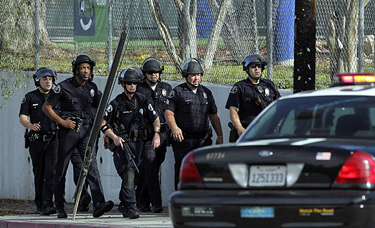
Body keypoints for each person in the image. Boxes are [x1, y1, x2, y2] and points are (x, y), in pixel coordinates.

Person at [42, 54, 114, 218]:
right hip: (68, 132)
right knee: (61, 169)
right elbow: (46, 107)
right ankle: (60, 207)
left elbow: (98, 111)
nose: (86, 71)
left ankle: (99, 204)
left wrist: (105, 130)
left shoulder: (93, 87)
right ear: (76, 69)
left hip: (87, 131)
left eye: (88, 68)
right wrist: (62, 122)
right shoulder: (63, 86)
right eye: (82, 68)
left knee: (92, 167)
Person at [101, 67, 161, 219]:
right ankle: (132, 206)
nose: (132, 86)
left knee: (135, 176)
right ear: (123, 84)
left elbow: (155, 119)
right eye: (129, 83)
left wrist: (157, 134)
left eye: (134, 83)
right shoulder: (116, 103)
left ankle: (124, 204)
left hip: (140, 144)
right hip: (123, 144)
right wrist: (113, 137)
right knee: (128, 173)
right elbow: (103, 123)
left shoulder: (142, 100)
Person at [165, 58, 224, 190]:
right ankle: (181, 203)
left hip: (203, 140)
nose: (196, 78)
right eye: (192, 75)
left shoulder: (206, 93)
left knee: (205, 170)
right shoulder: (178, 92)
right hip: (183, 141)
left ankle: (202, 202)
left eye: (198, 75)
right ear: (186, 76)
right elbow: (168, 113)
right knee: (182, 170)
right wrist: (174, 128)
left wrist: (220, 136)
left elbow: (214, 115)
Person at [135, 57, 172, 213]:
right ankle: (156, 203)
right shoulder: (138, 89)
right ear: (145, 74)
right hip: (147, 134)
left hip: (163, 133)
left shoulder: (167, 88)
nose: (153, 75)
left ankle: (141, 200)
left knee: (151, 167)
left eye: (156, 72)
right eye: (150, 73)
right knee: (150, 165)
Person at [19, 67, 58, 215]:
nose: (48, 81)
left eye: (50, 79)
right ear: (38, 81)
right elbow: (23, 117)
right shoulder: (30, 97)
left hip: (53, 141)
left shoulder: (56, 97)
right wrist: (30, 125)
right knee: (39, 174)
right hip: (37, 142)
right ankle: (40, 204)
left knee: (50, 174)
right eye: (44, 79)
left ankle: (48, 204)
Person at [225, 54, 281, 142]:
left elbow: (279, 107)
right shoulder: (240, 87)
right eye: (253, 66)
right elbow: (233, 110)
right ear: (247, 69)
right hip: (247, 133)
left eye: (259, 66)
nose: (256, 69)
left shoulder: (269, 85)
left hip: (268, 133)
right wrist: (240, 128)